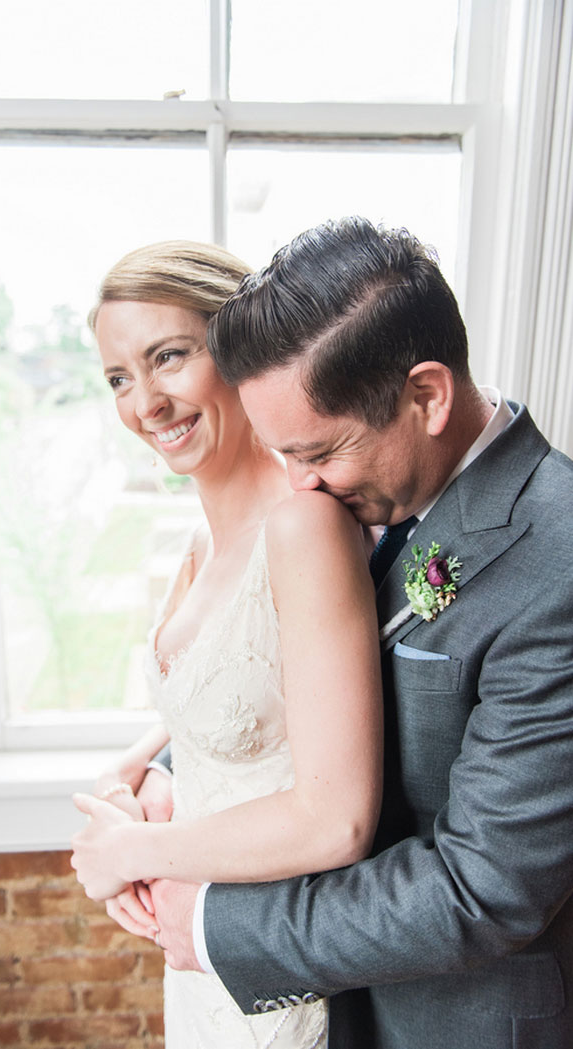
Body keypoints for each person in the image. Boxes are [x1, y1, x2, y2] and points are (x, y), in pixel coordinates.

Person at [131, 218, 573, 1049]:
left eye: (319, 451)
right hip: (337, 1008)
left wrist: (225, 925)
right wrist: (171, 758)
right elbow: (297, 673)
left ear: (427, 396)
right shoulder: (368, 492)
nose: (299, 485)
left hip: (454, 1020)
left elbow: (481, 886)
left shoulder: (560, 560)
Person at [70, 240, 384, 1048]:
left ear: (238, 351)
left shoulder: (305, 527)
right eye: (118, 378)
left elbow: (335, 819)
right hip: (197, 967)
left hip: (271, 975)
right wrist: (134, 769)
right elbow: (235, 704)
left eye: (167, 357)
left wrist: (130, 848)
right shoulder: (196, 545)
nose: (146, 402)